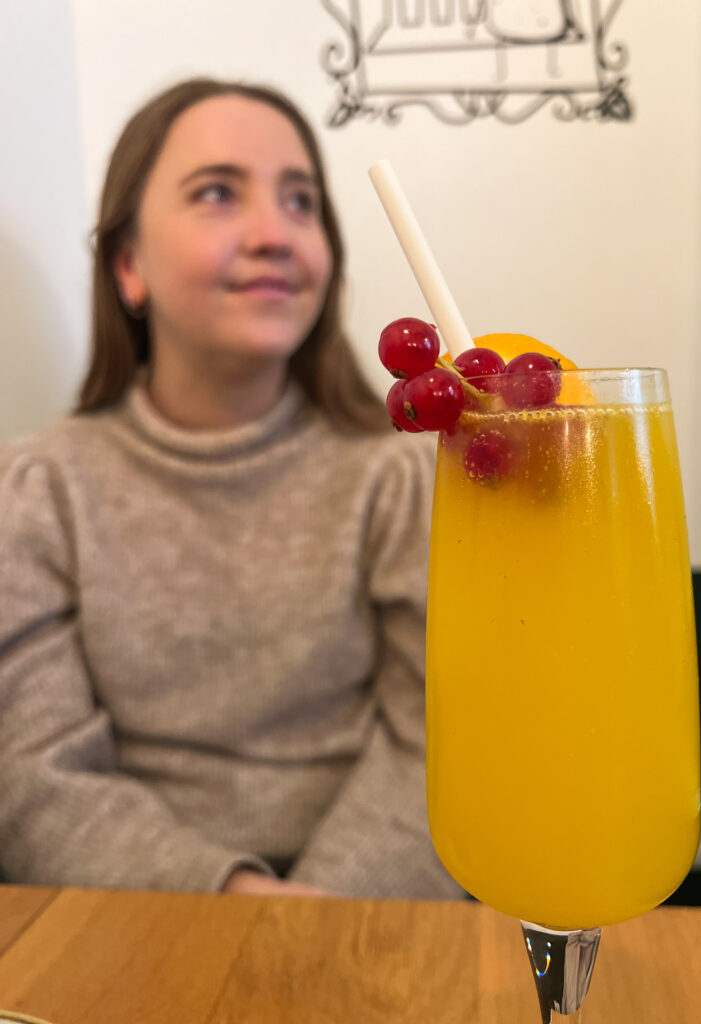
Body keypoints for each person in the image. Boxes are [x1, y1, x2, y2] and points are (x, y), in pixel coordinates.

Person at [0, 77, 462, 900]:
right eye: (218, 193)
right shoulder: (38, 489)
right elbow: (35, 777)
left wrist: (314, 918)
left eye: (301, 201)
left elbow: (443, 739)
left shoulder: (398, 474)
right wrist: (236, 905)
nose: (275, 235)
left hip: (369, 911)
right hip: (132, 918)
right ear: (129, 267)